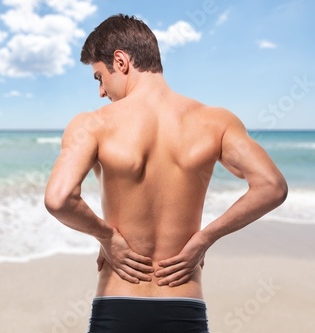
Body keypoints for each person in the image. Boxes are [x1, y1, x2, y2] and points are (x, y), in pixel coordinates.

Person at [44, 14, 287, 333]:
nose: (101, 92)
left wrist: (108, 238)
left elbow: (59, 199)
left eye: (99, 77)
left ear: (121, 61)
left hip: (118, 302)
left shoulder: (94, 124)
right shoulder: (216, 122)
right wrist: (204, 238)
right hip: (184, 304)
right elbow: (272, 186)